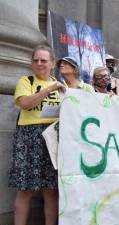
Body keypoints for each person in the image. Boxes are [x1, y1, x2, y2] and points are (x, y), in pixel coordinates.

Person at [8, 45, 66, 225]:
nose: (39, 64)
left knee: (50, 190)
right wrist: (48, 90)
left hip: (53, 138)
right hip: (28, 137)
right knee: (24, 189)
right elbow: (25, 103)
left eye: (44, 60)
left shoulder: (61, 85)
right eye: (36, 60)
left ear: (52, 63)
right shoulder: (26, 81)